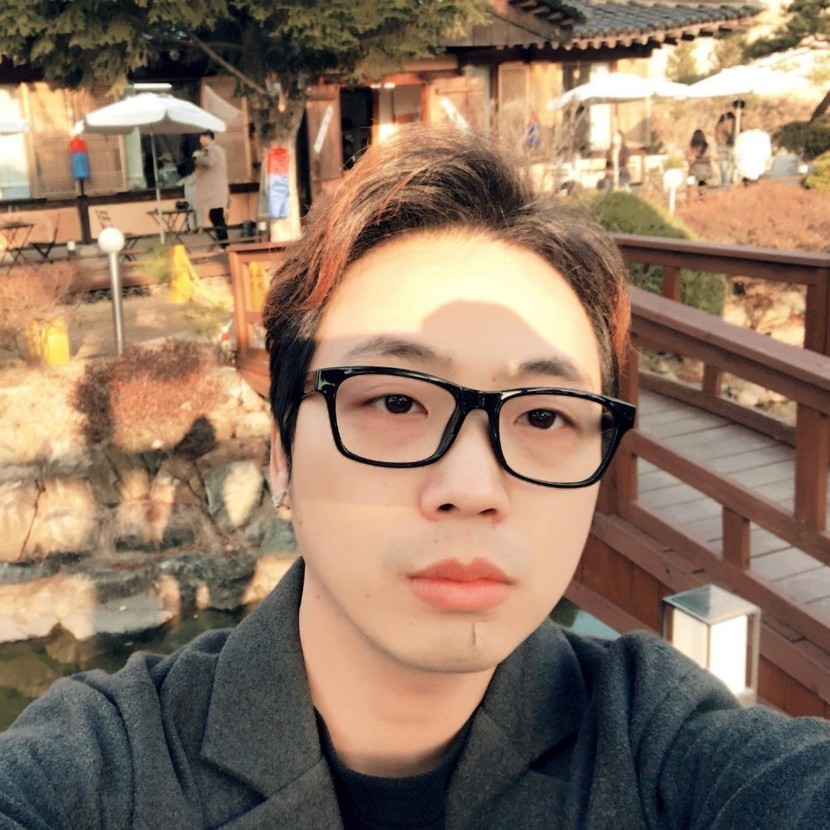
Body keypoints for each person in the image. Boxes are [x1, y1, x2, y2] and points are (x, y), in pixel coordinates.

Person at [1, 125, 829, 829]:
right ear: (281, 452)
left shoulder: (664, 747)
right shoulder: (105, 770)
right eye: (395, 401)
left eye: (545, 417)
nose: (473, 486)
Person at [193, 129, 229, 242]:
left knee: (215, 216)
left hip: (215, 190)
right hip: (217, 189)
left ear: (208, 137)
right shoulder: (218, 149)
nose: (200, 141)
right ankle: (223, 242)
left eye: (201, 138)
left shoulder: (212, 149)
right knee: (216, 216)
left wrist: (197, 159)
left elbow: (210, 162)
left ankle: (224, 243)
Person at [686, 128, 714, 195]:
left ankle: (689, 197)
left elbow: (689, 158)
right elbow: (711, 157)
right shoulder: (707, 147)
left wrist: (695, 160)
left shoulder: (691, 147)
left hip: (693, 172)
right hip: (705, 172)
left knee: (690, 188)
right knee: (702, 189)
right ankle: (702, 196)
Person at [714, 109, 737, 185]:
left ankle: (725, 182)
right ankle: (731, 181)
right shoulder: (731, 122)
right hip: (728, 146)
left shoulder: (719, 125)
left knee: (724, 166)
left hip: (721, 147)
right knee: (731, 165)